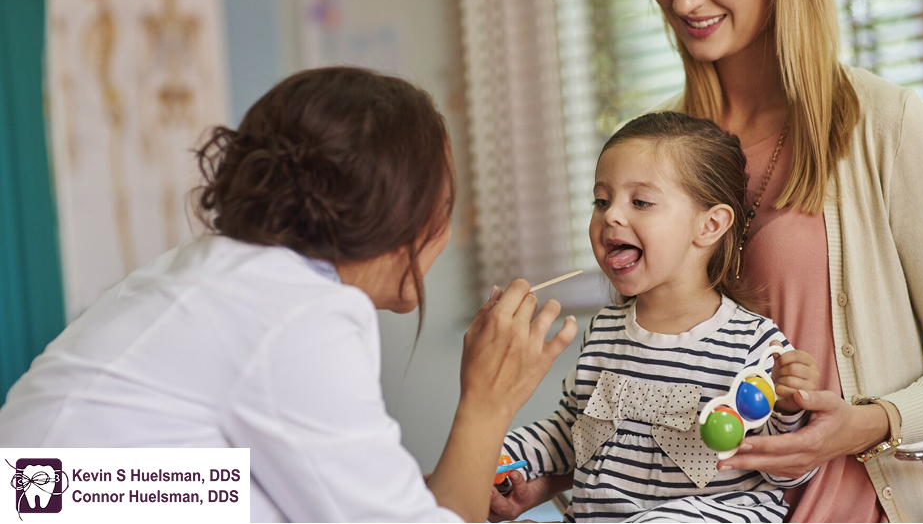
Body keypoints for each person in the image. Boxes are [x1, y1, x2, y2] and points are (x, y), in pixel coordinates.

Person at [0, 66, 578, 522]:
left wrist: (423, 494)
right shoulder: (297, 317)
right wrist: (487, 402)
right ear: (399, 213)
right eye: (445, 204)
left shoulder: (223, 272)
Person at [623, 0, 923, 522]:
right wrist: (551, 474)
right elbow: (647, 374)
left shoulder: (889, 124)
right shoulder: (651, 151)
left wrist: (866, 423)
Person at [491, 112, 822, 522]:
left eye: (641, 202)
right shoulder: (604, 332)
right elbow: (573, 434)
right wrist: (504, 454)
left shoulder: (755, 343)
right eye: (601, 200)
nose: (611, 215)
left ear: (710, 225)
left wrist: (788, 409)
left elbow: (789, 472)